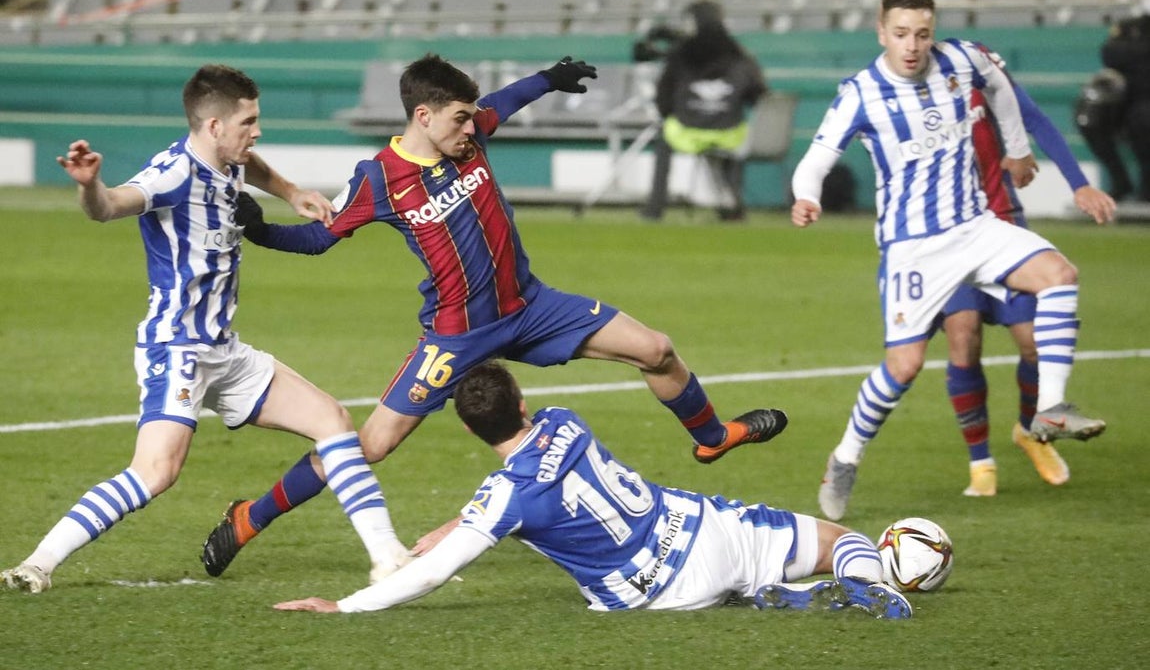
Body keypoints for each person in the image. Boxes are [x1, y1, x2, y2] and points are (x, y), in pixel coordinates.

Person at [199, 54, 787, 581]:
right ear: (423, 115)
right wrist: (258, 228)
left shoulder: (470, 132)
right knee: (368, 446)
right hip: (456, 336)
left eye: (472, 116)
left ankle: (713, 438)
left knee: (656, 349)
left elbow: (504, 103)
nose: (471, 126)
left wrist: (550, 80)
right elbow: (318, 240)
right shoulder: (380, 179)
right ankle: (251, 516)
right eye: (459, 117)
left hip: (531, 308)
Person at [1, 64, 406, 594]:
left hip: (224, 351)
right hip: (177, 349)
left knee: (333, 422)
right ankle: (36, 564)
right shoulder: (171, 174)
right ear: (214, 126)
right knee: (155, 472)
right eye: (248, 122)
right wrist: (91, 185)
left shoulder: (229, 157)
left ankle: (388, 557)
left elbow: (251, 165)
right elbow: (109, 208)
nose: (256, 131)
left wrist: (289, 191)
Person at [790, 0, 1107, 521]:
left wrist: (1018, 148)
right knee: (905, 366)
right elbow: (816, 160)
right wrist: (806, 196)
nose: (912, 46)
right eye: (900, 34)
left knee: (1059, 273)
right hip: (914, 249)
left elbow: (1006, 94)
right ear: (881, 32)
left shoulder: (963, 59)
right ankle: (845, 457)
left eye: (921, 34)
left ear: (932, 32)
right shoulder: (862, 93)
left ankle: (1049, 409)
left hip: (976, 226)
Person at [272, 361, 912, 618]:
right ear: (523, 402)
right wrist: (464, 519)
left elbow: (433, 572)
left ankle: (785, 599)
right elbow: (531, 488)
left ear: (469, 429)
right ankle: (877, 583)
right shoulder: (564, 421)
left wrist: (348, 606)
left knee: (747, 592)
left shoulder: (506, 499)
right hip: (698, 528)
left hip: (660, 595)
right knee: (844, 540)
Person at [937, 84, 1115, 498]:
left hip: (1005, 230)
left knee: (1033, 342)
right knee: (963, 338)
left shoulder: (979, 71)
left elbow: (1034, 117)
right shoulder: (901, 89)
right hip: (949, 238)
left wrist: (1078, 184)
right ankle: (980, 462)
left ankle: (1031, 430)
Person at [639, 1, 768, 222]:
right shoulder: (740, 56)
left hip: (686, 134)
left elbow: (664, 98)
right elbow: (757, 94)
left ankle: (655, 207)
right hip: (730, 134)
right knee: (731, 146)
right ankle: (734, 206)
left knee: (665, 138)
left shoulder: (679, 55)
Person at [1074, 0, 1150, 202]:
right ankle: (1120, 181)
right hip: (1127, 97)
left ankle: (1146, 190)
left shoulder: (1131, 33)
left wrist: (1134, 54)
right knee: (1089, 117)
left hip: (1144, 103)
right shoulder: (1130, 26)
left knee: (1143, 121)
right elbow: (1109, 54)